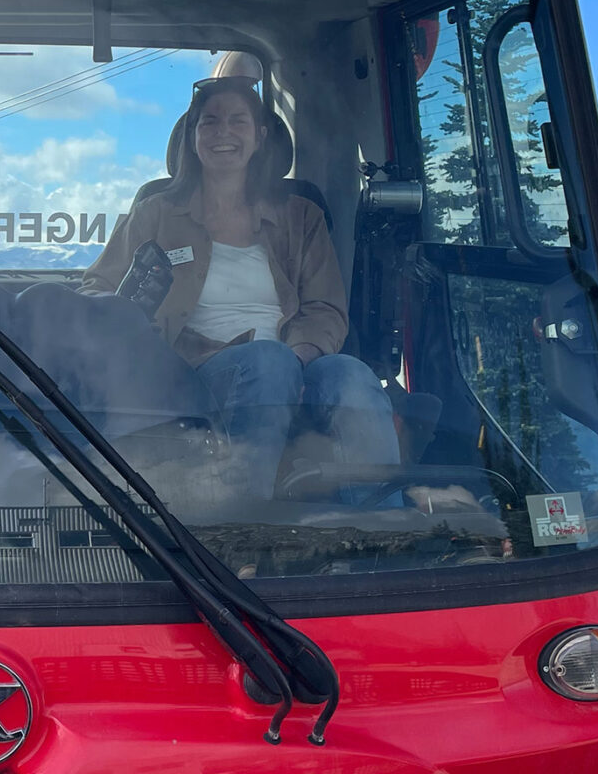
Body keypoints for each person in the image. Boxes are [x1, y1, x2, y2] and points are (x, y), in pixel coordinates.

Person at [82, 76, 398, 498]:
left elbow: (325, 309)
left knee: (352, 374)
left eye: (237, 121)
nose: (223, 133)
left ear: (260, 135)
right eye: (209, 122)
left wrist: (299, 360)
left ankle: (386, 536)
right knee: (267, 361)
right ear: (192, 138)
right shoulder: (155, 213)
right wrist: (132, 336)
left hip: (295, 360)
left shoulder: (302, 216)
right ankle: (242, 529)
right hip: (188, 373)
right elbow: (96, 291)